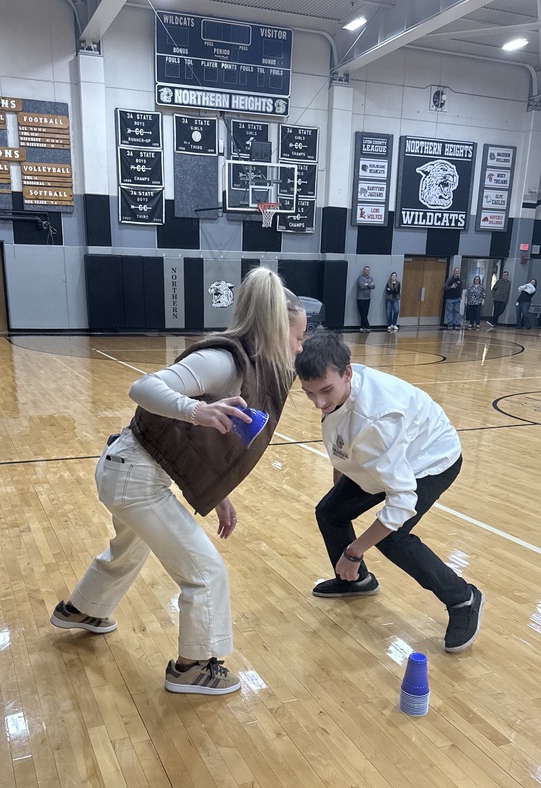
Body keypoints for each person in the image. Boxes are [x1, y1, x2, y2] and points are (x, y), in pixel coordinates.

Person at [50, 268, 307, 695]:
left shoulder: (249, 366)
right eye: (297, 337)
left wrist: (218, 494)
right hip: (134, 478)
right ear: (277, 331)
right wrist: (197, 411)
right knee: (205, 572)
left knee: (128, 551)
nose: (299, 346)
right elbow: (142, 388)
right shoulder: (223, 360)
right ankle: (193, 667)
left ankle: (83, 609)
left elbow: (193, 446)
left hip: (128, 472)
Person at [295, 331, 484, 654]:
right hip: (387, 455)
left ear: (348, 373)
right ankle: (356, 581)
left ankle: (462, 598)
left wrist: (353, 552)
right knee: (330, 511)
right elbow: (342, 450)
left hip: (429, 460)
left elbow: (402, 501)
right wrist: (340, 497)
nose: (319, 403)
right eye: (309, 393)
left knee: (393, 538)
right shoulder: (340, 390)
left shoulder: (375, 421)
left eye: (325, 391)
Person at [356, 266, 375, 330]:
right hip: (361, 299)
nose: (367, 271)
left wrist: (366, 284)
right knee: (363, 314)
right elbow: (362, 286)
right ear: (364, 271)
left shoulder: (371, 278)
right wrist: (369, 285)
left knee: (365, 313)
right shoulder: (360, 278)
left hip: (368, 298)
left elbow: (373, 286)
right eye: (366, 270)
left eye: (368, 270)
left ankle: (362, 327)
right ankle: (367, 326)